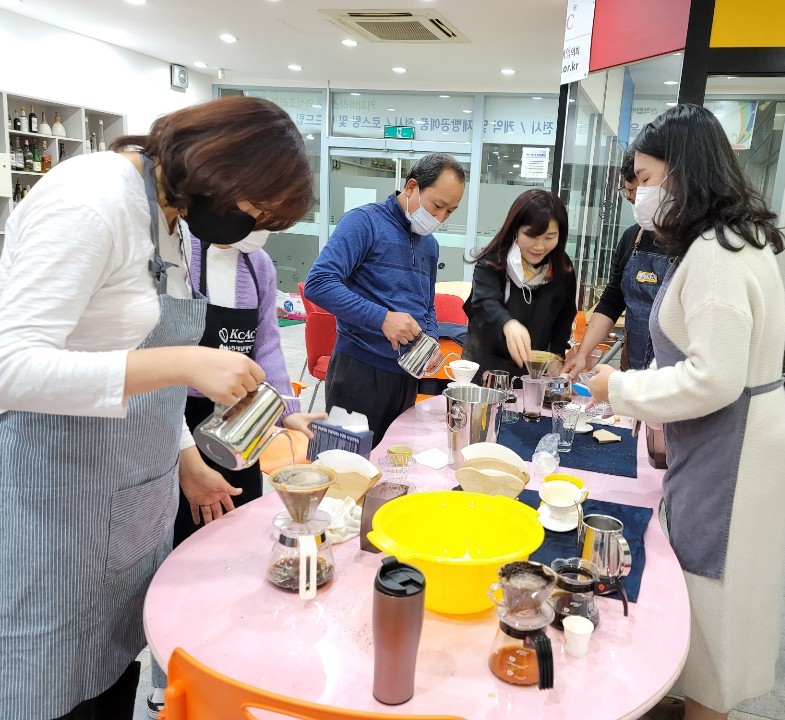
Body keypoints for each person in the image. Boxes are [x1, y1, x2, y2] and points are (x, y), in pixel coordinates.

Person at [0, 96, 314, 720]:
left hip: (129, 504)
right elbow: (10, 367)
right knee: (52, 691)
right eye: (255, 209)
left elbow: (134, 351)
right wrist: (184, 364)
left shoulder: (167, 221)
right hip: (58, 505)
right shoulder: (93, 199)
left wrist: (184, 456)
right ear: (218, 171)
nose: (251, 225)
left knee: (113, 676)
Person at [589, 104, 785, 720]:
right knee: (718, 598)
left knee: (715, 606)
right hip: (735, 434)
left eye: (647, 176)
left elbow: (714, 376)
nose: (640, 192)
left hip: (734, 446)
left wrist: (620, 389)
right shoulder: (731, 238)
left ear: (682, 175)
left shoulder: (716, 253)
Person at [145, 229, 325, 719]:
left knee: (237, 556)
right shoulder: (183, 260)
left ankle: (235, 669)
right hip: (181, 435)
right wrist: (188, 459)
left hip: (242, 431)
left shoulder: (257, 266)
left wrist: (286, 410)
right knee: (183, 571)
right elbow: (161, 371)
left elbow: (266, 346)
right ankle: (174, 683)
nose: (264, 224)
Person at [304, 153, 465, 447]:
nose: (440, 218)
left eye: (450, 212)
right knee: (342, 470)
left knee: (393, 469)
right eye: (437, 206)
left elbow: (426, 304)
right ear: (412, 187)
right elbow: (318, 283)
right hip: (359, 370)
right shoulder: (364, 223)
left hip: (405, 377)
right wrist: (382, 318)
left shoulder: (429, 244)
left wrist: (430, 342)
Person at [562, 149, 669, 376]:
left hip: (671, 379)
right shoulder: (632, 238)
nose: (633, 201)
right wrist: (582, 353)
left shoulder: (692, 244)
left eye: (637, 190)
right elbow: (612, 300)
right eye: (627, 194)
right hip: (632, 370)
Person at [462, 189, 576, 377]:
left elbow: (565, 316)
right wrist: (507, 323)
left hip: (534, 370)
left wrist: (557, 355)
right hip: (487, 366)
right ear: (515, 229)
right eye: (531, 235)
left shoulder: (562, 268)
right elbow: (484, 302)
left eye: (549, 237)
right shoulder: (494, 261)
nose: (539, 246)